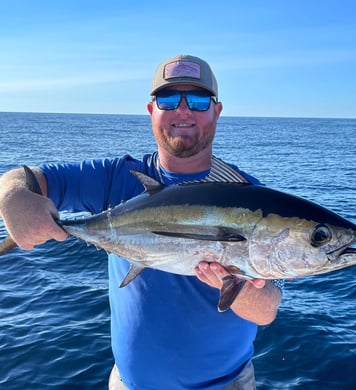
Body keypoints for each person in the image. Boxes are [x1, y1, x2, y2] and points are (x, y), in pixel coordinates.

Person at [0, 54, 283, 390]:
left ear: (216, 111)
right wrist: (12, 198)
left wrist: (230, 282)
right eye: (167, 99)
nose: (182, 110)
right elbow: (25, 178)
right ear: (152, 111)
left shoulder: (254, 199)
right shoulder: (116, 178)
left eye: (197, 99)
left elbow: (266, 312)